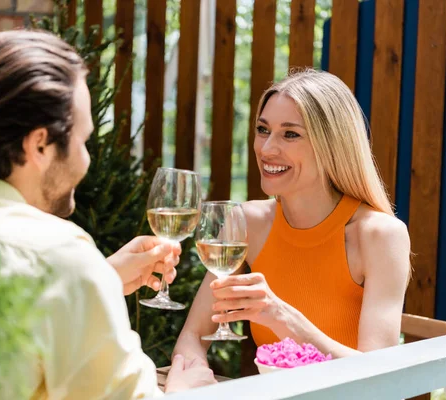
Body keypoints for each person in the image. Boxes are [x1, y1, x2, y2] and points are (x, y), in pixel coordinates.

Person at [0, 29, 216, 399]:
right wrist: (183, 391)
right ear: (39, 144)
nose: (86, 159)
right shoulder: (61, 258)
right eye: (83, 141)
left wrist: (99, 281)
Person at [173, 69, 411, 365]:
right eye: (263, 130)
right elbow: (192, 337)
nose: (267, 149)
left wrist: (283, 318)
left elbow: (380, 376)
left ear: (331, 145)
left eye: (290, 134)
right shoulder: (247, 222)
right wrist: (194, 378)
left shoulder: (380, 235)